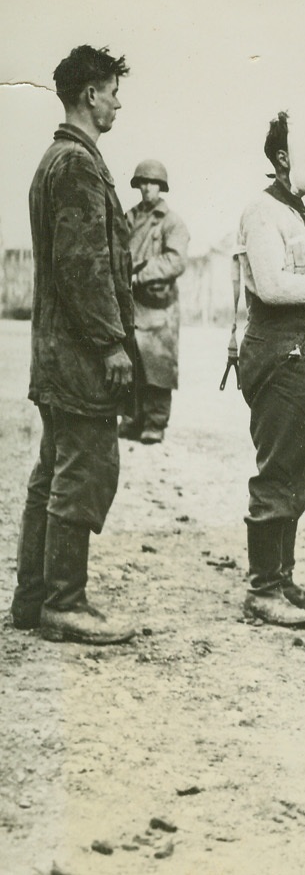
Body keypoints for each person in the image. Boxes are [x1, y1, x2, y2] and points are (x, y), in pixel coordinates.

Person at [9, 45, 138, 644]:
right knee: (84, 468)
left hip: (57, 352)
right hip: (81, 356)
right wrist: (113, 345)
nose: (117, 101)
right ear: (91, 94)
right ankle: (65, 601)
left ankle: (34, 600)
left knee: (53, 470)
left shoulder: (54, 159)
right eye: (113, 90)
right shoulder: (79, 165)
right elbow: (83, 266)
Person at [234, 112, 305, 629]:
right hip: (278, 353)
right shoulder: (262, 211)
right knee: (279, 468)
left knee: (304, 469)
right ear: (284, 159)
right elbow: (274, 287)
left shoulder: (297, 211)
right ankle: (262, 590)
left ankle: (282, 578)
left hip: (304, 350)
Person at [120, 159, 190, 444]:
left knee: (158, 364)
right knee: (132, 362)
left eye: (153, 183)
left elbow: (175, 261)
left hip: (158, 304)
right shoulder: (130, 218)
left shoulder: (172, 222)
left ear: (162, 187)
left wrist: (141, 274)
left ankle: (156, 422)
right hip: (132, 302)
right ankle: (133, 418)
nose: (147, 189)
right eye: (143, 183)